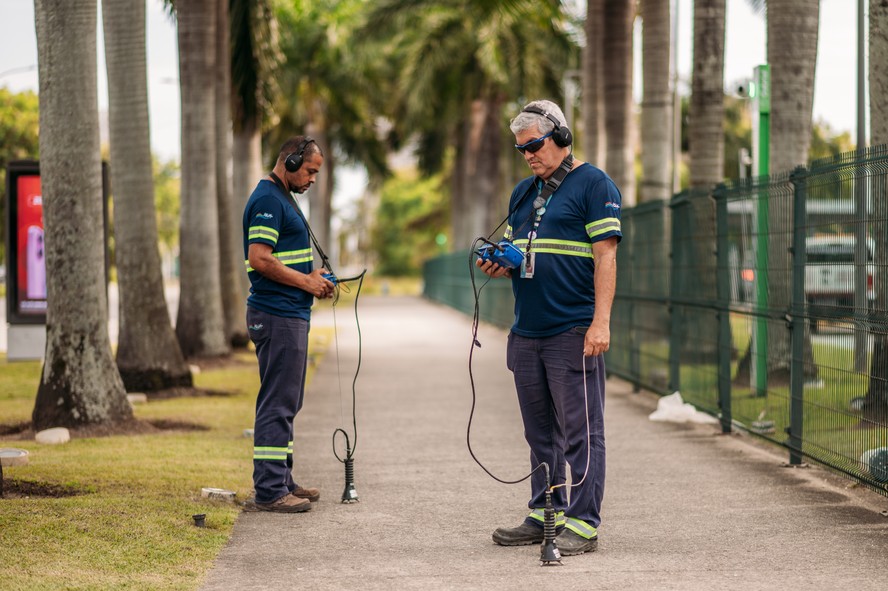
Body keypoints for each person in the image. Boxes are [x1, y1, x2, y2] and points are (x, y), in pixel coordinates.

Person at [477, 100, 622, 555]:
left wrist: (601, 323)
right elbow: (524, 253)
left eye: (535, 146)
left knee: (582, 431)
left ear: (560, 137)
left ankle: (582, 523)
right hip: (528, 332)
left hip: (573, 331)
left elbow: (606, 256)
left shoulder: (595, 185)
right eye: (522, 150)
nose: (529, 156)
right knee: (540, 433)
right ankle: (545, 511)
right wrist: (499, 265)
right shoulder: (523, 193)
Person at [242, 135, 335, 512]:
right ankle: (269, 490)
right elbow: (260, 259)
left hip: (290, 313)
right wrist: (307, 282)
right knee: (277, 402)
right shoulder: (267, 199)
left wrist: (311, 276)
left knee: (288, 401)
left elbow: (282, 257)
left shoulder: (283, 198)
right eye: (311, 170)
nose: (313, 178)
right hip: (276, 314)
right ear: (291, 161)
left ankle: (282, 479)